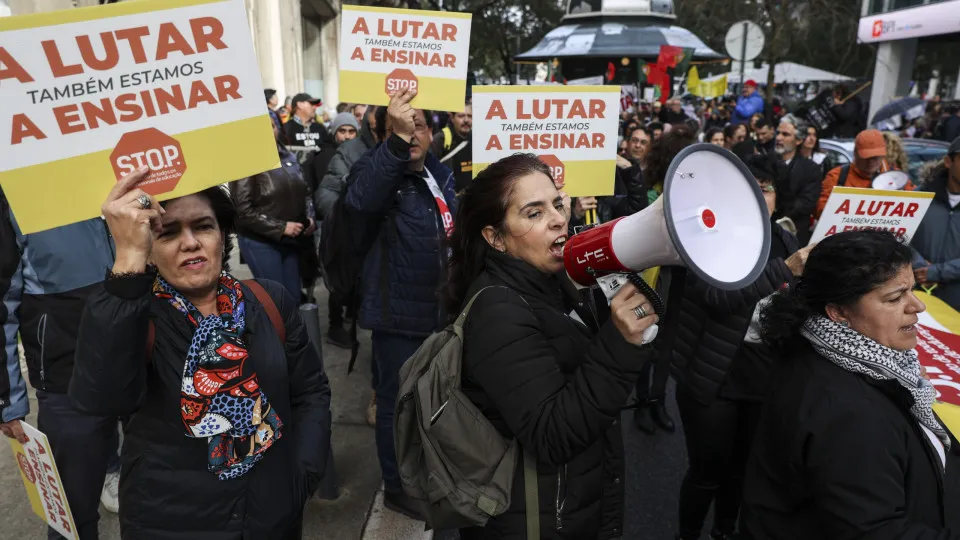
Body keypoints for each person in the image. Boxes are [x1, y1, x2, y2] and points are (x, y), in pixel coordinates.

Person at [69, 173, 331, 538]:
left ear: (223, 235)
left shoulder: (269, 301)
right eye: (168, 232)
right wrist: (128, 261)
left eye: (203, 227)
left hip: (273, 516)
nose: (190, 243)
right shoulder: (130, 314)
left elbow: (310, 393)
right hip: (169, 522)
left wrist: (302, 473)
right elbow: (102, 399)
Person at [447, 153, 655, 539]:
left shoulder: (551, 280)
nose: (559, 218)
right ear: (495, 238)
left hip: (563, 506)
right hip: (534, 522)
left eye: (558, 203)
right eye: (533, 213)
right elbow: (551, 433)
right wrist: (620, 342)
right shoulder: (498, 311)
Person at [744, 230, 955, 539]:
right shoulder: (850, 413)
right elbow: (874, 529)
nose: (917, 306)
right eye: (895, 298)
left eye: (912, 290)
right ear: (839, 312)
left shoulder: (813, 344)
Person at [671, 154, 810, 540]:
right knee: (706, 472)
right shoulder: (705, 234)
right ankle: (688, 534)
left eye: (764, 187)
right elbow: (719, 298)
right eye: (747, 185)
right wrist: (787, 269)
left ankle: (724, 531)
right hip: (713, 375)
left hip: (763, 375)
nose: (755, 193)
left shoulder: (786, 241)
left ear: (777, 199)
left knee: (744, 469)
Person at [343, 88, 456, 518]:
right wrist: (394, 143)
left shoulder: (439, 174)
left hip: (439, 313)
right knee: (396, 407)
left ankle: (428, 472)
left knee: (434, 404)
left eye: (419, 126)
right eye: (401, 128)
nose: (413, 135)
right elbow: (359, 201)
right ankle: (397, 486)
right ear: (385, 136)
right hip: (398, 318)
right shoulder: (376, 173)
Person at [0, 188, 124, 539]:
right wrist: (8, 399)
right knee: (71, 509)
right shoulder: (18, 195)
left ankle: (112, 465)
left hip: (142, 359)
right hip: (66, 375)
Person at [633, 126, 699, 433]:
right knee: (648, 341)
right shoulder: (650, 192)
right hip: (652, 277)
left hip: (680, 279)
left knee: (668, 343)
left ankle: (657, 400)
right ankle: (642, 404)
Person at [232, 139, 314, 300]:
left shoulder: (288, 157)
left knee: (293, 298)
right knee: (275, 301)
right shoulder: (245, 160)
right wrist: (281, 227)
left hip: (291, 238)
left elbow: (306, 192)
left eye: (273, 124)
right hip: (260, 240)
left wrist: (310, 216)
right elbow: (242, 210)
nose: (269, 129)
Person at [912, 137, 960, 311]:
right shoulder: (919, 197)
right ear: (948, 162)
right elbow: (899, 235)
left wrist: (938, 272)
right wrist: (918, 266)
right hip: (913, 296)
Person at [816, 129, 893, 218]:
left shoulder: (895, 177)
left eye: (875, 157)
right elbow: (821, 210)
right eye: (866, 157)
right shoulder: (836, 176)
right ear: (855, 154)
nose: (871, 162)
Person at [773, 115, 823, 244]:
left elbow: (806, 203)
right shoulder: (764, 162)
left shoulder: (811, 169)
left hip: (793, 236)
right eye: (778, 133)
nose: (779, 138)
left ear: (798, 140)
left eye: (785, 134)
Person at [431, 101, 473, 193]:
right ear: (452, 118)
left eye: (470, 116)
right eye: (461, 116)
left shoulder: (477, 138)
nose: (466, 120)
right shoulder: (441, 139)